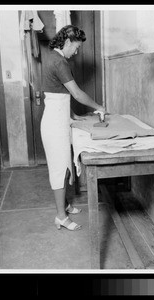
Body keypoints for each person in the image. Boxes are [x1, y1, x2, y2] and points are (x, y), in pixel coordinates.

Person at [41, 25, 106, 231]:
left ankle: (66, 205)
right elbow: (76, 94)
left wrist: (73, 117)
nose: (76, 52)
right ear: (67, 42)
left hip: (57, 119)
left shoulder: (52, 57)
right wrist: (98, 107)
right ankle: (61, 216)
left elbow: (57, 95)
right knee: (59, 169)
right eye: (76, 47)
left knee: (65, 166)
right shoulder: (60, 62)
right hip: (54, 124)